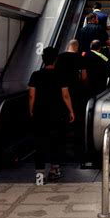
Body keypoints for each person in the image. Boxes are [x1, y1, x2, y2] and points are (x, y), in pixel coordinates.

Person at [28, 46, 74, 185]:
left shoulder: (36, 75)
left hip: (40, 113)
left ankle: (39, 175)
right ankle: (54, 170)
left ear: (43, 59)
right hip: (57, 113)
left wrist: (31, 110)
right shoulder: (61, 74)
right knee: (56, 141)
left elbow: (31, 95)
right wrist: (71, 111)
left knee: (39, 142)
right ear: (56, 59)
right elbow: (65, 95)